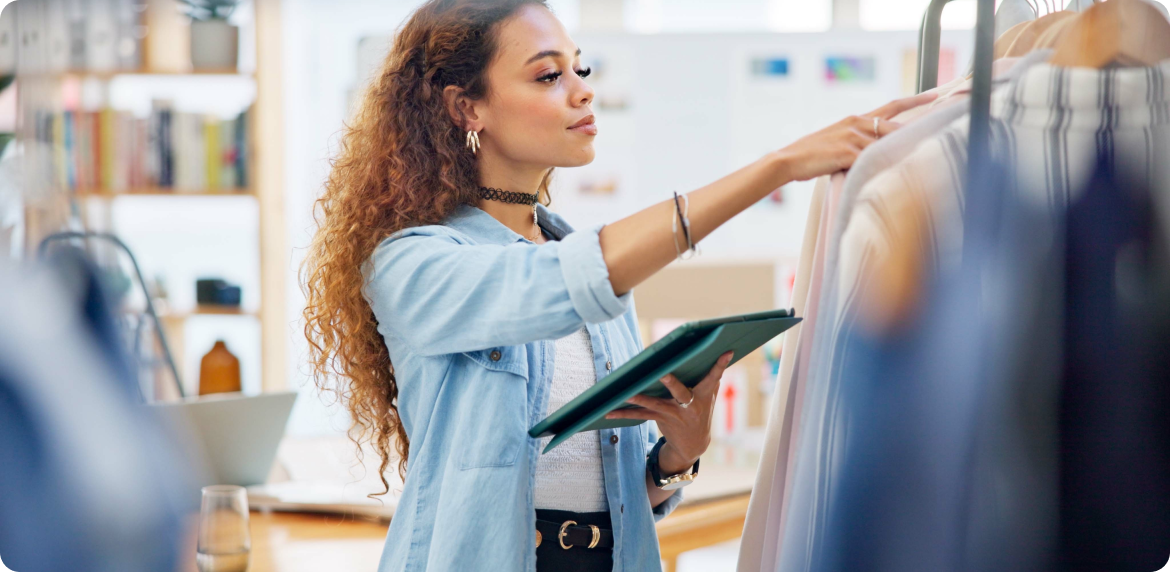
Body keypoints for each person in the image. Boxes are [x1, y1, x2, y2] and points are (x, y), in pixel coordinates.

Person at [301, 1, 935, 570]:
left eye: (581, 70)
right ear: (467, 106)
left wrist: (675, 457)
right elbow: (551, 284)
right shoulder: (414, 264)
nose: (582, 92)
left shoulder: (578, 257)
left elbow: (617, 489)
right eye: (550, 75)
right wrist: (779, 166)